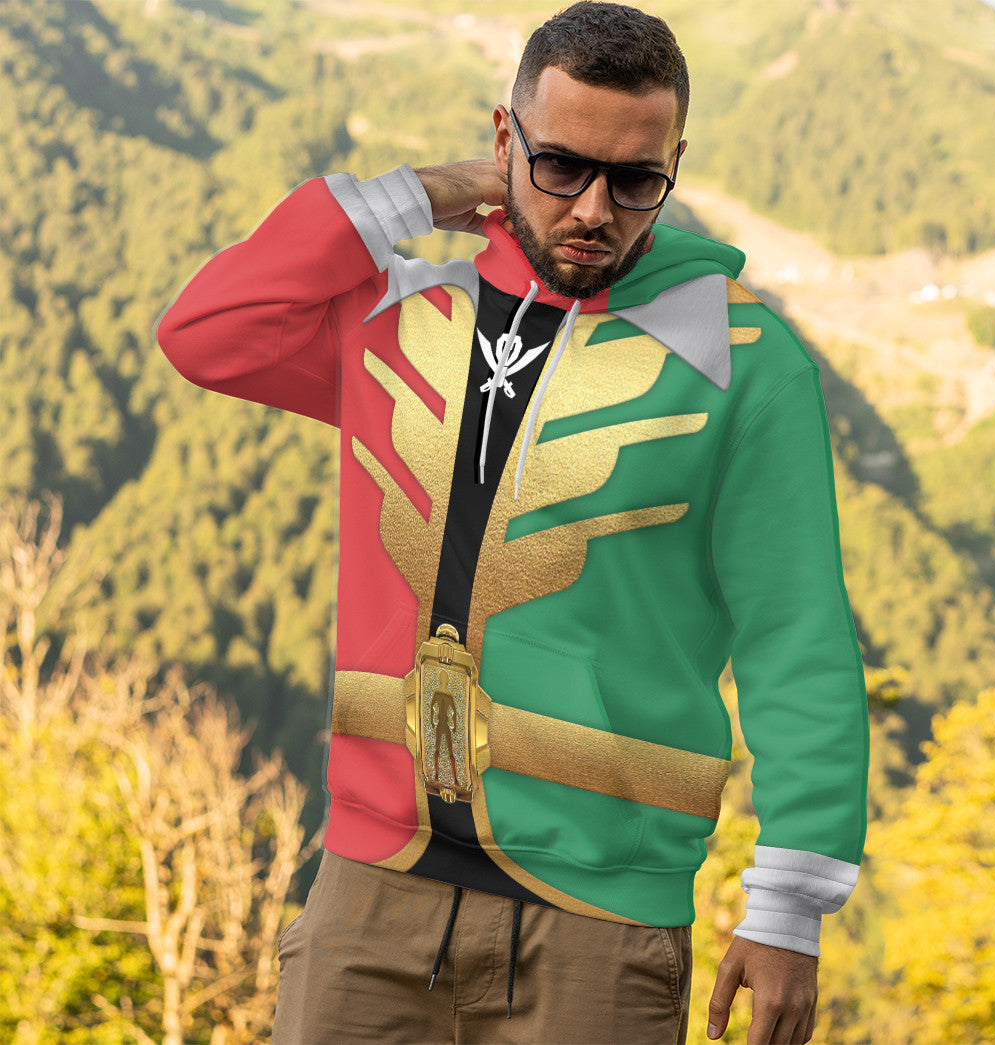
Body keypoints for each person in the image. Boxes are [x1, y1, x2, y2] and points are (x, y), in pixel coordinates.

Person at [157, 3, 870, 1042]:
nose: (594, 208)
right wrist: (419, 194)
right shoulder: (396, 313)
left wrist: (790, 908)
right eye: (559, 166)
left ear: (674, 165)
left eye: (635, 180)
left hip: (602, 924)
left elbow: (795, 636)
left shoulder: (744, 359)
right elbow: (207, 331)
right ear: (504, 140)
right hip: (370, 892)